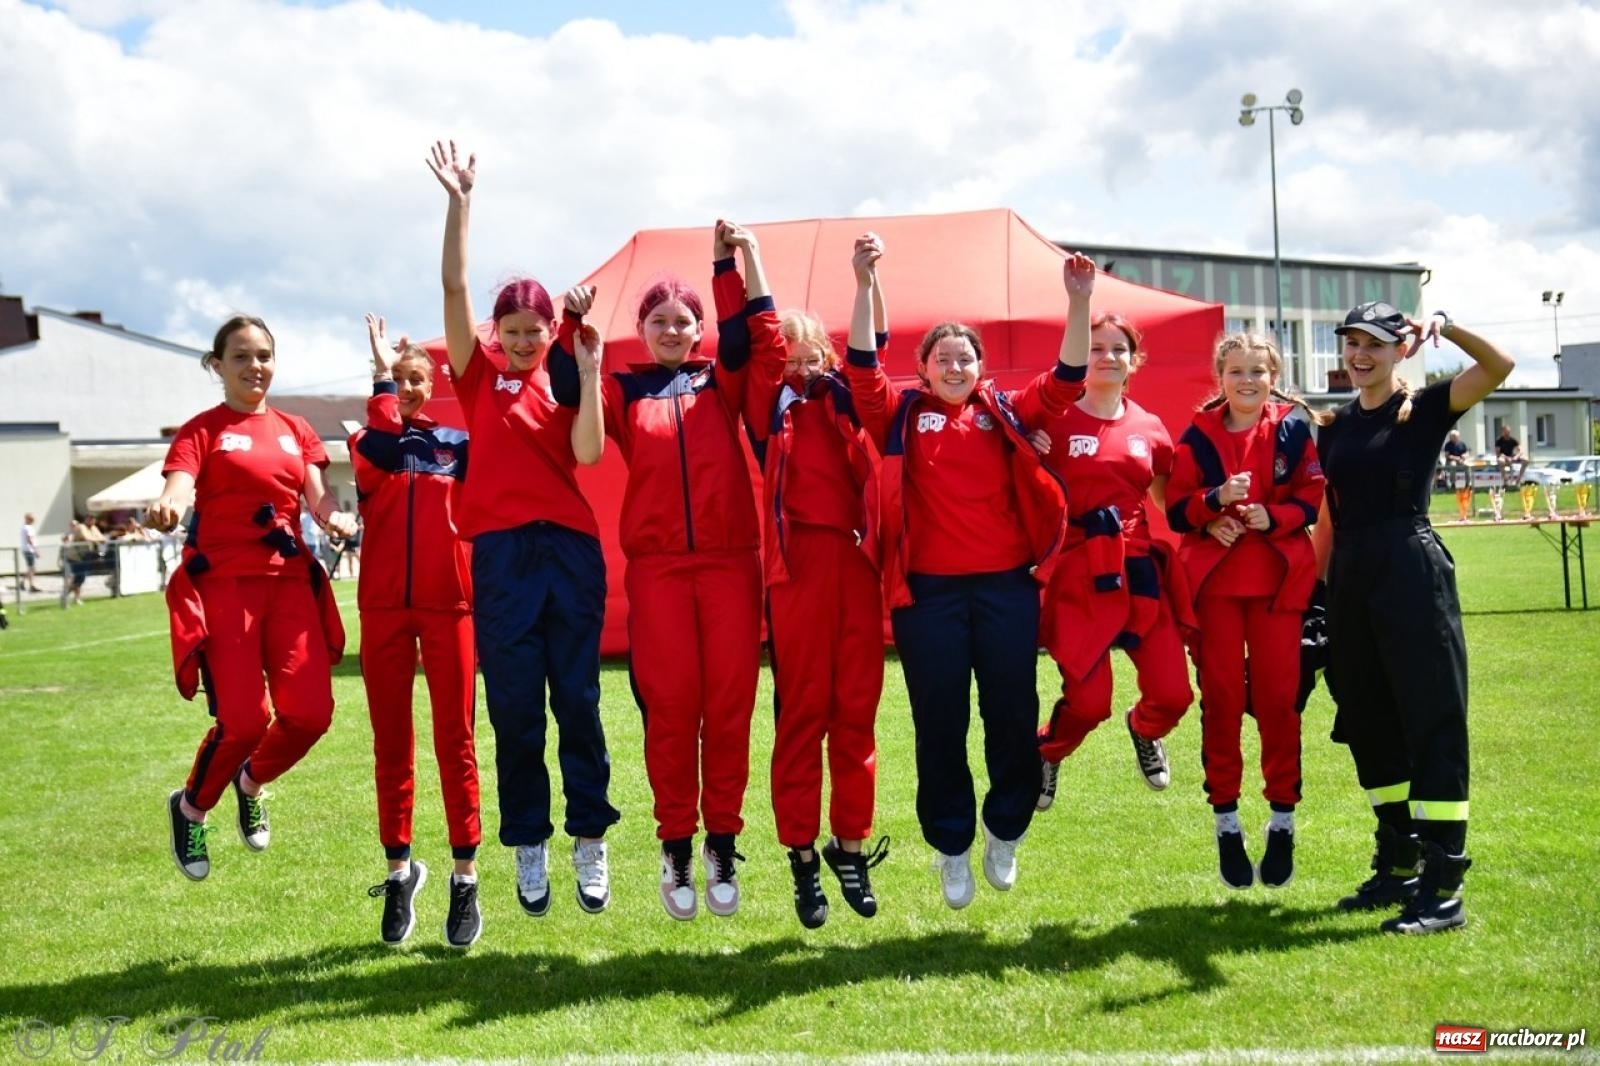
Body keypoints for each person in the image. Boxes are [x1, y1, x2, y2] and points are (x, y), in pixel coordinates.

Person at [841, 250, 1085, 910]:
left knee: (1012, 715)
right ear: (922, 368)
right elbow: (860, 369)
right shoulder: (901, 416)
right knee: (939, 723)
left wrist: (1078, 301)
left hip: (1007, 588)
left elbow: (1066, 381)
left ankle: (1003, 830)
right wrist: (867, 284)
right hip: (929, 598)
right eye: (942, 358)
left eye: (965, 359)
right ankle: (951, 846)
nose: (955, 368)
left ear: (982, 367)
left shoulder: (1004, 411)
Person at [552, 221, 779, 921]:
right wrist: (570, 327)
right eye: (659, 321)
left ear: (699, 328)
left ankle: (723, 839)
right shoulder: (622, 389)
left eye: (684, 321)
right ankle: (676, 842)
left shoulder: (722, 381)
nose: (672, 330)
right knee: (673, 710)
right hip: (658, 571)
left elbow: (749, 337)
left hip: (729, 565)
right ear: (642, 328)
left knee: (730, 707)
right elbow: (568, 400)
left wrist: (726, 263)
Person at [427, 139, 619, 920]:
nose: (521, 341)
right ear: (494, 331)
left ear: (548, 330)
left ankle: (589, 838)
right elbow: (453, 283)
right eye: (510, 330)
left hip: (568, 551)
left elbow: (590, 452)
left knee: (575, 697)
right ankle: (530, 840)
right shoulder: (477, 377)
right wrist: (460, 203)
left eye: (533, 331)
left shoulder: (563, 375)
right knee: (513, 706)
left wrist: (592, 367)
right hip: (503, 556)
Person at [1313, 301, 1512, 934]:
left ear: (1402, 349)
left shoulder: (1425, 407)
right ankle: (1397, 860)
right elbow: (1328, 517)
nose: (1359, 354)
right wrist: (1317, 601)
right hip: (1350, 578)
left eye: (1373, 343)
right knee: (1368, 721)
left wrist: (1447, 329)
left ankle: (1444, 884)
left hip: (1410, 569)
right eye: (1351, 342)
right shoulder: (1335, 426)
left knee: (1431, 719)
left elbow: (1499, 365)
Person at [146, 314, 357, 882]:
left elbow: (316, 494)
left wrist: (333, 515)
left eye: (263, 355)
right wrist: (168, 504)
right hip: (224, 587)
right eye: (240, 356)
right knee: (243, 721)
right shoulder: (202, 430)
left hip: (289, 582)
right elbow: (180, 485)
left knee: (310, 715)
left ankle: (251, 782)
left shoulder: (295, 428)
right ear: (217, 366)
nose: (254, 366)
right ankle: (191, 807)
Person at [736, 234, 891, 929]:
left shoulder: (846, 401)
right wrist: (750, 259)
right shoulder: (769, 413)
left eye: (811, 355)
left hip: (856, 567)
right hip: (795, 575)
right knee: (802, 717)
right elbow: (761, 337)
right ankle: (802, 859)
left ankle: (849, 844)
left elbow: (871, 349)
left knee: (855, 712)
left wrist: (865, 281)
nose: (799, 365)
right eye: (789, 357)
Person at [1165, 332, 1326, 890]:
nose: (1247, 381)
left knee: (1281, 701)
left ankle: (1282, 820)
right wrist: (1213, 509)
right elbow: (1176, 508)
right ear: (1220, 378)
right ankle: (1227, 822)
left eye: (1258, 371)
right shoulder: (1197, 434)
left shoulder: (1292, 429)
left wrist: (1272, 518)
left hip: (1279, 585)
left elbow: (1312, 497)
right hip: (1214, 587)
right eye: (1236, 371)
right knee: (1224, 702)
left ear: (1274, 375)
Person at [1033, 268, 1196, 810]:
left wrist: (1217, 509)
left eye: (1118, 349)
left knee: (1174, 694)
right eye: (1097, 348)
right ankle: (1048, 753)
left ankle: (1145, 730)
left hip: (1138, 567)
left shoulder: (1149, 426)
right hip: (1078, 573)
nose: (1107, 356)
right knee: (1088, 702)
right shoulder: (1053, 420)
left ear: (1134, 360)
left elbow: (1165, 496)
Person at [350, 313, 481, 949]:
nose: (406, 388)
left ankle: (464, 878)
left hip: (449, 605)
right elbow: (379, 443)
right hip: (382, 610)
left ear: (433, 385)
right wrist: (379, 366)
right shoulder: (369, 444)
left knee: (455, 742)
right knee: (391, 745)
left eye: (415, 378)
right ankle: (399, 872)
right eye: (397, 380)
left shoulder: (457, 444)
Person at [19, 513, 41, 592]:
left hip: (26, 549)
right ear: (27, 519)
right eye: (31, 519)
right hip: (29, 550)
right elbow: (30, 539)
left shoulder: (24, 527)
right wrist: (36, 550)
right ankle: (31, 585)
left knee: (31, 568)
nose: (33, 521)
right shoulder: (28, 528)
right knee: (32, 568)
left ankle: (23, 582)